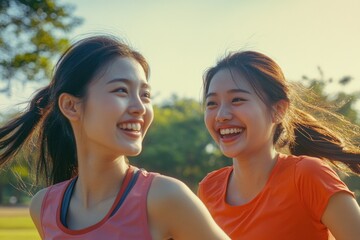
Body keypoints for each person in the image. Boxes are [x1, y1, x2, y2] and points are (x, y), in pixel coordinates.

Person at [0, 34, 230, 240]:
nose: (140, 107)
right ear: (70, 106)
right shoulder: (43, 207)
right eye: (121, 90)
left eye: (145, 95)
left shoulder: (165, 197)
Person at [198, 50, 360, 240]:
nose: (221, 115)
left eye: (237, 100)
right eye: (212, 103)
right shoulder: (209, 189)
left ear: (278, 110)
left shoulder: (308, 175)